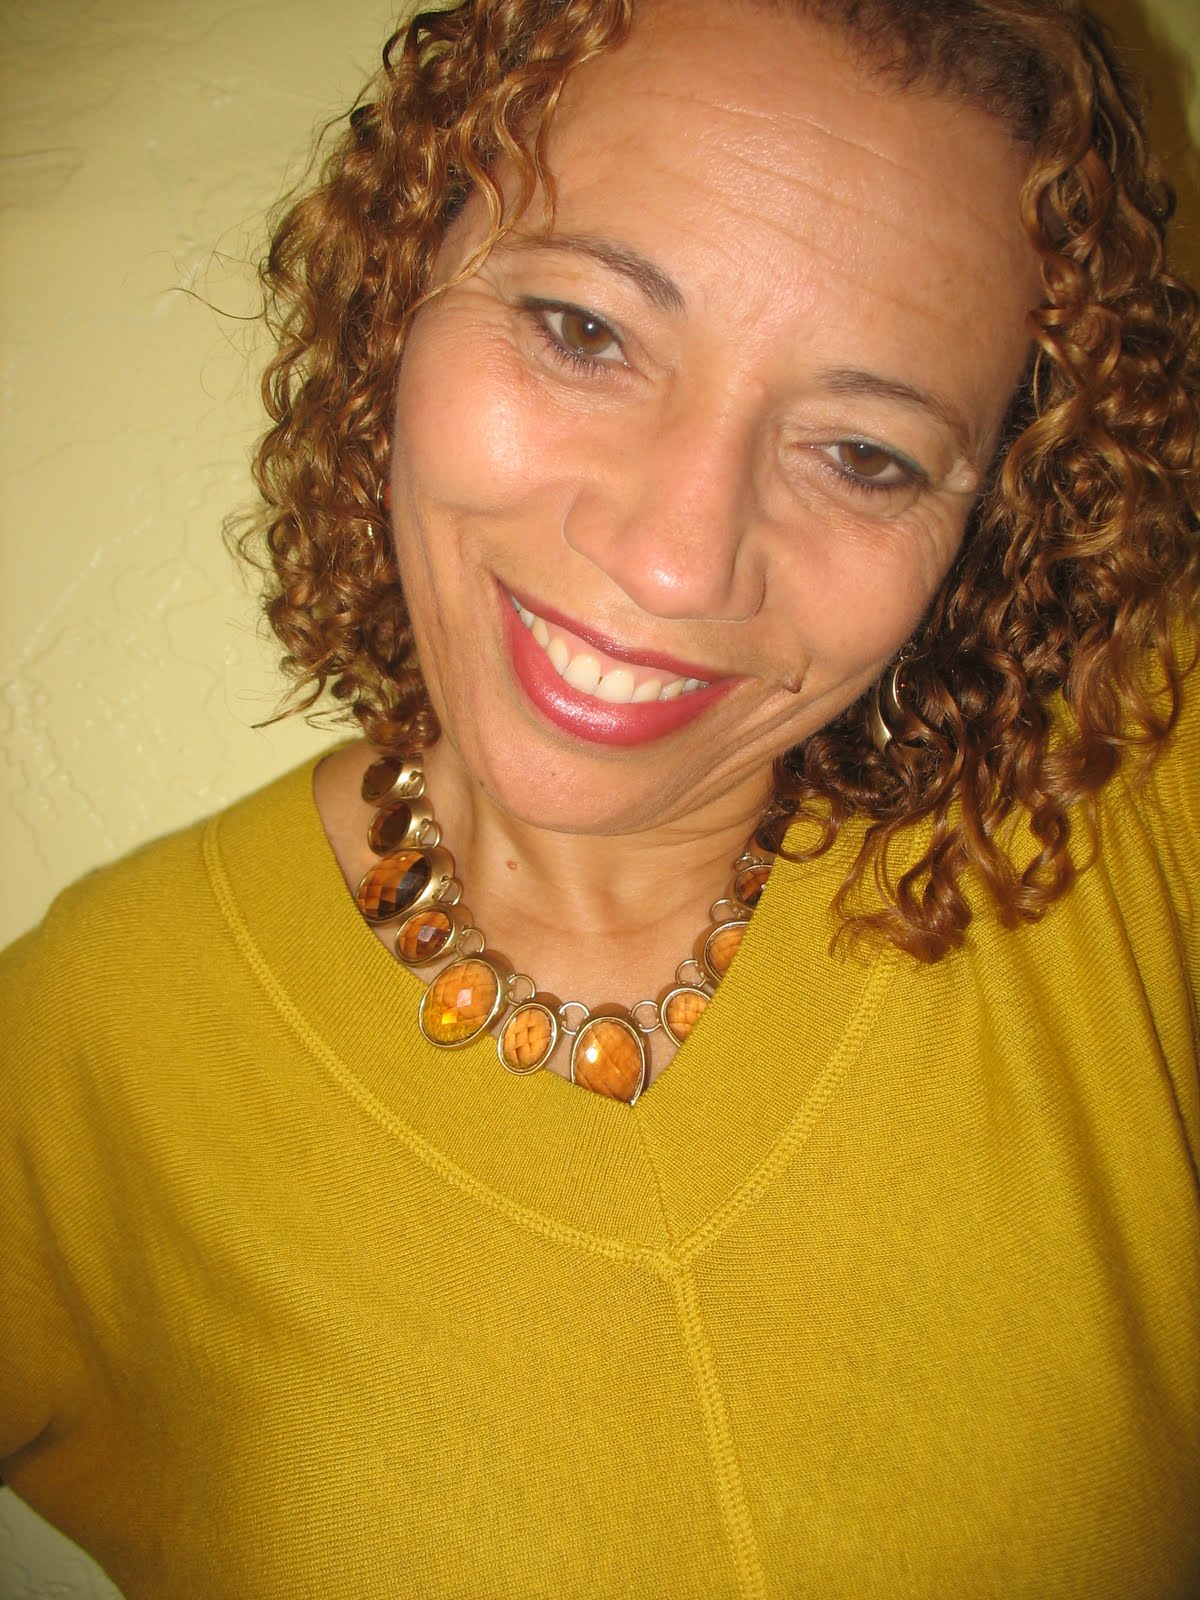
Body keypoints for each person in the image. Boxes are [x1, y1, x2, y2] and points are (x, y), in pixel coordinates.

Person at [2, 0, 1197, 1594]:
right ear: (401, 285)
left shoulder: (1130, 804)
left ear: (996, 513)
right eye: (583, 330)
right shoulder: (88, 1046)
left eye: (866, 454)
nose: (677, 557)